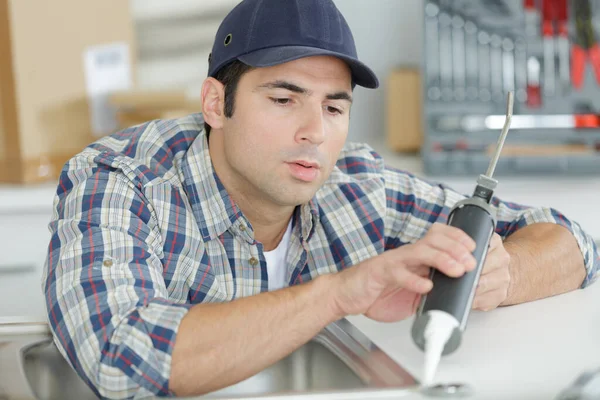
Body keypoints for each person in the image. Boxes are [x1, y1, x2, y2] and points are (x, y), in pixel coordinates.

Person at [41, 0, 599, 398]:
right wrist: (338, 294)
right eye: (284, 99)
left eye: (334, 108)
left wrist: (504, 274)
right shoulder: (121, 180)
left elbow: (574, 242)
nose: (315, 131)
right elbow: (121, 359)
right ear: (216, 102)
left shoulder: (355, 183)